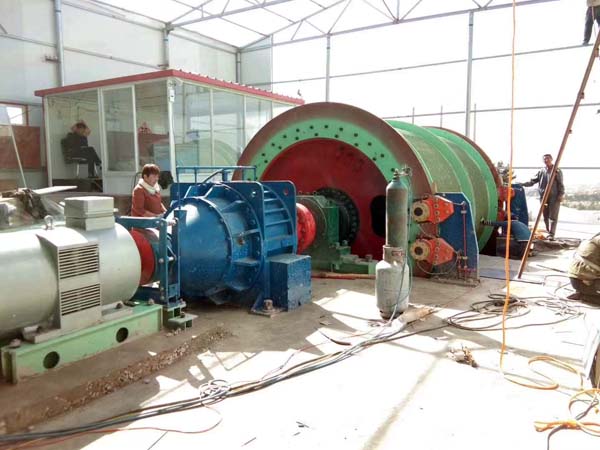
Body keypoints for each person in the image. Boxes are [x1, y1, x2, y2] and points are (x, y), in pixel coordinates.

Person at [522, 154, 564, 241]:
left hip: (554, 197)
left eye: (548, 158)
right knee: (545, 215)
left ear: (551, 159)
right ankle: (548, 232)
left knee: (553, 216)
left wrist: (561, 194)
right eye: (544, 159)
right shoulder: (542, 171)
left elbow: (561, 184)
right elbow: (533, 181)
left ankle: (551, 234)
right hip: (543, 196)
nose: (546, 160)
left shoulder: (557, 170)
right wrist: (522, 184)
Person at [567, 233, 600, 303]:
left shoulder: (596, 237)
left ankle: (585, 293)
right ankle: (584, 296)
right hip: (585, 282)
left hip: (578, 280)